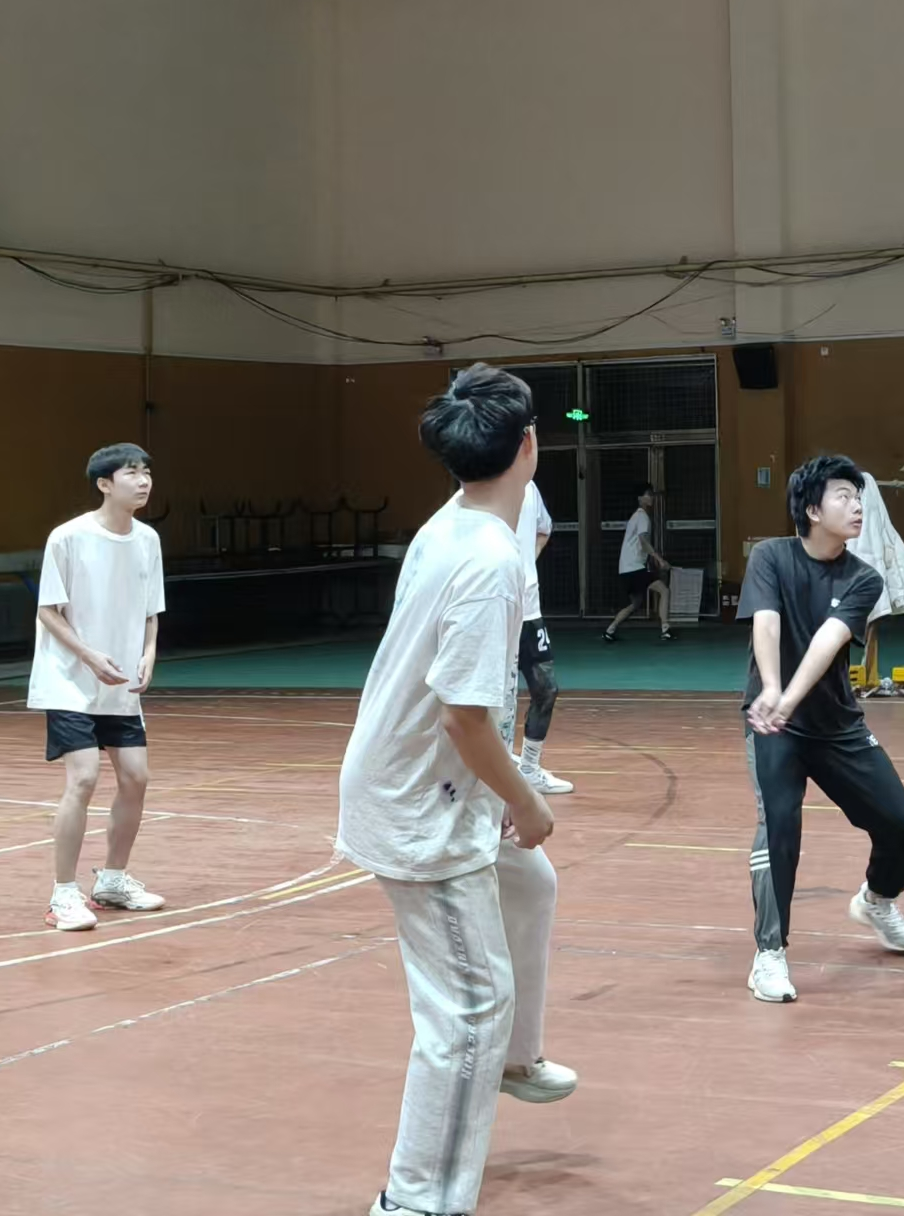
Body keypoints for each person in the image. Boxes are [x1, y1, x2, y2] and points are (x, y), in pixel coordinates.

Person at [337, 364, 571, 1216]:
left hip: (432, 782)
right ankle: (416, 1202)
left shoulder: (453, 523)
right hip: (418, 803)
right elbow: (465, 719)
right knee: (468, 1009)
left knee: (529, 885)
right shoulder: (487, 559)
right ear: (530, 446)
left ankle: (515, 1059)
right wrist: (526, 799)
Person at [739, 453, 904, 1004]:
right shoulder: (771, 556)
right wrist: (771, 689)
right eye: (844, 495)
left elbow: (829, 640)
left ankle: (876, 901)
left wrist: (788, 698)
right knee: (778, 827)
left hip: (836, 724)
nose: (857, 505)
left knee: (901, 825)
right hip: (774, 726)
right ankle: (769, 954)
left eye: (858, 496)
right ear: (813, 510)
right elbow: (766, 622)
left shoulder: (864, 577)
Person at [29, 443, 168, 932]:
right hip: (69, 679)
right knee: (84, 777)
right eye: (132, 472)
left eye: (146, 472)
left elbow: (151, 610)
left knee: (136, 778)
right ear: (105, 484)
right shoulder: (68, 537)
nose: (143, 480)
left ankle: (111, 880)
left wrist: (148, 653)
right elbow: (48, 611)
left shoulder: (148, 539)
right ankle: (63, 894)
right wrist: (88, 655)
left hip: (120, 683)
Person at [512, 479, 573, 793]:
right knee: (492, 698)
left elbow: (543, 529)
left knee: (547, 689)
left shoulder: (529, 487)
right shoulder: (476, 488)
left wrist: (525, 566)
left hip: (529, 612)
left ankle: (529, 769)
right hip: (492, 612)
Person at [602, 483, 671, 642]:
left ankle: (610, 630)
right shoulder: (642, 516)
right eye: (648, 494)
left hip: (625, 569)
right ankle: (666, 629)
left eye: (652, 494)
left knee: (636, 603)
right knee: (664, 590)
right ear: (640, 498)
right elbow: (643, 541)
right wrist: (660, 560)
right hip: (634, 568)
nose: (651, 497)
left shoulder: (636, 516)